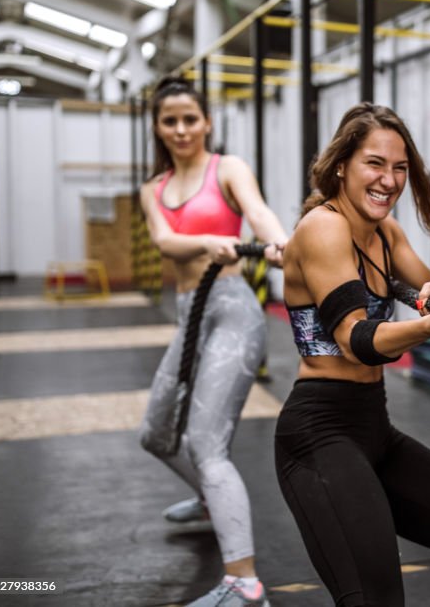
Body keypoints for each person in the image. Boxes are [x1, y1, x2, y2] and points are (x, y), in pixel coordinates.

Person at [275, 102, 430, 606]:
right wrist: (428, 325)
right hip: (318, 434)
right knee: (376, 599)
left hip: (374, 428)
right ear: (342, 166)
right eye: (374, 163)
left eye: (400, 168)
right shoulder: (323, 228)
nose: (389, 180)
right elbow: (356, 341)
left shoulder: (385, 234)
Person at [138, 76, 289, 607]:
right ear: (158, 127)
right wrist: (208, 240)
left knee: (206, 443)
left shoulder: (228, 169)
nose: (180, 129)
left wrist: (277, 242)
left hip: (231, 313)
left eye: (189, 118)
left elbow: (259, 210)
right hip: (190, 316)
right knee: (155, 433)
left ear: (206, 122)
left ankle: (244, 585)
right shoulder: (152, 188)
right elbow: (165, 241)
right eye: (169, 120)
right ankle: (209, 500)